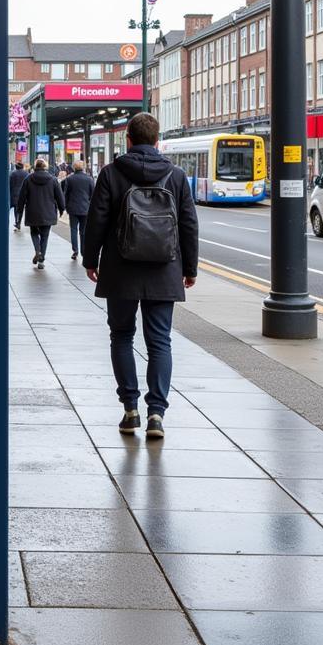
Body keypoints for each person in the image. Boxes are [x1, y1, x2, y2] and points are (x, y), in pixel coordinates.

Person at [82, 112, 198, 441]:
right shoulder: (176, 176)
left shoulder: (111, 173)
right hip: (164, 269)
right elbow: (188, 224)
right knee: (160, 342)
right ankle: (157, 415)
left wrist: (91, 260)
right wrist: (189, 268)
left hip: (120, 270)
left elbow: (96, 221)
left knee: (121, 337)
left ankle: (130, 409)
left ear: (128, 140)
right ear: (157, 140)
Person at [16, 158, 65, 270]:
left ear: (35, 166)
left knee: (34, 233)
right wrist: (62, 209)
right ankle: (41, 259)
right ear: (45, 166)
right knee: (45, 235)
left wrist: (19, 210)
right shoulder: (53, 180)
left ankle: (37, 251)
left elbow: (22, 196)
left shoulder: (28, 179)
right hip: (48, 211)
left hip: (32, 211)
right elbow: (59, 196)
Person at [62, 159, 95, 262]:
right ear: (83, 167)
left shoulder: (70, 179)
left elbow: (66, 194)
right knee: (83, 231)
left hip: (73, 208)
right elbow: (93, 194)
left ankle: (75, 250)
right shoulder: (89, 179)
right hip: (85, 208)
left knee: (73, 229)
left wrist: (65, 206)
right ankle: (83, 252)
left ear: (74, 167)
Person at [9, 161, 27, 230]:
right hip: (23, 194)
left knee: (15, 209)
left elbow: (9, 184)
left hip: (13, 193)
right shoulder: (26, 173)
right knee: (20, 209)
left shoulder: (12, 173)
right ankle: (18, 222)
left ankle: (16, 221)